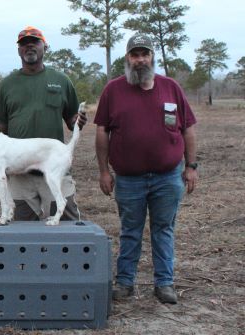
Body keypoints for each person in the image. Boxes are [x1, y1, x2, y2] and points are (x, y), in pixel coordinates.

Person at [94, 33, 198, 304]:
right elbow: (102, 131)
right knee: (130, 230)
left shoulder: (171, 87)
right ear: (127, 58)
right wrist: (104, 171)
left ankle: (164, 283)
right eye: (134, 54)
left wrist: (191, 166)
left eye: (145, 54)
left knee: (164, 229)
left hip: (168, 176)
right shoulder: (113, 90)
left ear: (152, 57)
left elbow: (187, 128)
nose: (140, 59)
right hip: (129, 179)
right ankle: (125, 283)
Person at [0, 26, 87, 221]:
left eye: (35, 42)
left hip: (53, 165)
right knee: (23, 233)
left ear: (45, 47)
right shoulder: (7, 84)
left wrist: (78, 121)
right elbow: (1, 127)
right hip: (20, 177)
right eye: (24, 43)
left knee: (68, 229)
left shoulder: (61, 80)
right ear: (19, 50)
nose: (29, 46)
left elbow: (71, 120)